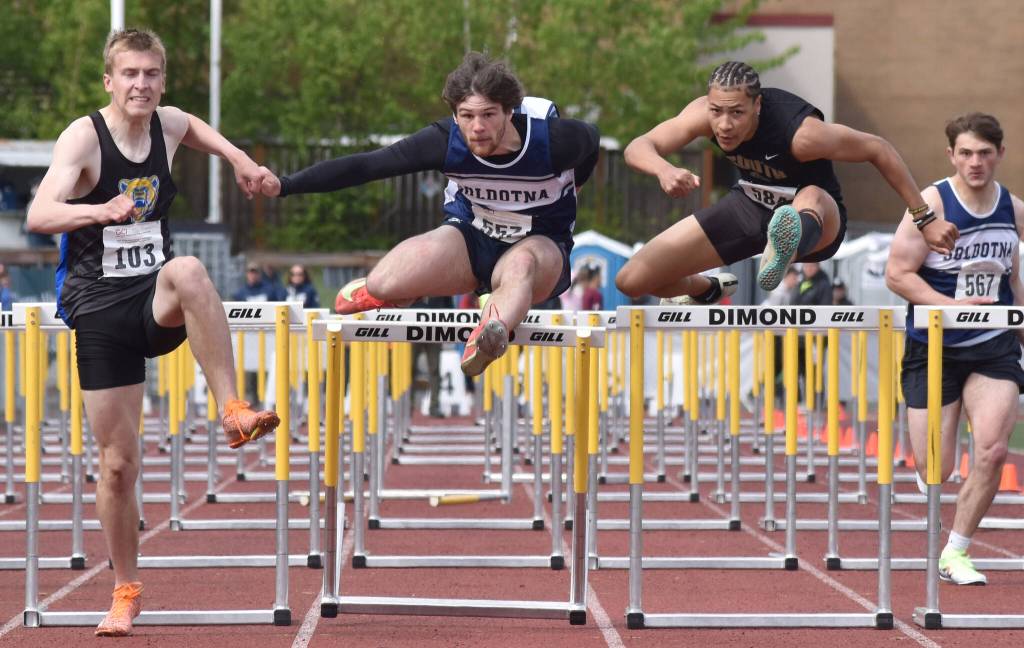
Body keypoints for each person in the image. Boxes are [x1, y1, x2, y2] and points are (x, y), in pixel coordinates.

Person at [25, 29, 280, 636]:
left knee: (189, 269)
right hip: (98, 308)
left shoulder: (167, 124)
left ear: (162, 80)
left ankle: (233, 408)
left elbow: (194, 127)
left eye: (151, 74)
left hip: (153, 297)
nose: (141, 85)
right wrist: (99, 210)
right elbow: (39, 215)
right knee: (118, 465)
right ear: (109, 81)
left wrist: (241, 160)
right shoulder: (84, 137)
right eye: (130, 75)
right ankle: (125, 589)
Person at [259, 51, 600, 376]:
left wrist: (577, 184)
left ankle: (489, 335)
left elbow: (592, 142)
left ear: (510, 112)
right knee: (384, 280)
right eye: (466, 116)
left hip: (540, 243)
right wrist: (285, 185)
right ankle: (392, 290)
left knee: (520, 265)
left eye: (488, 114)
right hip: (472, 233)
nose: (477, 127)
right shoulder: (445, 141)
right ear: (455, 116)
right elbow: (368, 165)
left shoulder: (554, 142)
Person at [614, 61, 958, 304]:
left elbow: (878, 149)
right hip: (748, 207)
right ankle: (708, 288)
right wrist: (663, 170)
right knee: (632, 280)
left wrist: (925, 218)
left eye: (737, 113)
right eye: (717, 111)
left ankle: (783, 247)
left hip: (817, 220)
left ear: (758, 105)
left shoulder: (802, 135)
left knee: (809, 196)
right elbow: (639, 146)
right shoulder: (704, 115)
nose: (724, 126)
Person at [886, 112, 1024, 586]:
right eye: (966, 153)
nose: (976, 162)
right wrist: (952, 306)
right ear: (952, 156)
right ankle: (932, 466)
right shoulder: (930, 203)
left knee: (991, 449)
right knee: (937, 467)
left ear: (1000, 154)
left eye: (985, 153)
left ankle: (957, 551)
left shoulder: (1013, 208)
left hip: (994, 346)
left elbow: (1013, 279)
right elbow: (897, 274)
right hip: (935, 343)